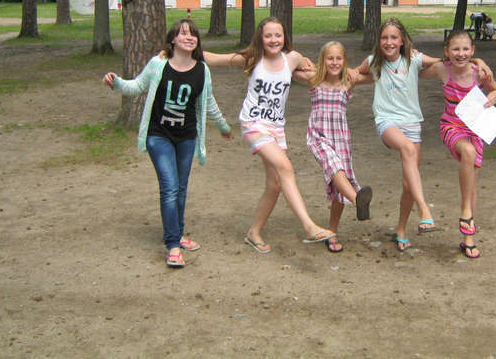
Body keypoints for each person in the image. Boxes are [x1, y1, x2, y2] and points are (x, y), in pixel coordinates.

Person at [352, 18, 491, 252]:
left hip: (412, 124)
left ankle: (401, 230)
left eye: (394, 37)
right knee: (407, 149)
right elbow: (355, 73)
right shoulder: (373, 61)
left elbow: (449, 61)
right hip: (387, 122)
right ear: (378, 40)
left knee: (409, 184)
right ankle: (424, 210)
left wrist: (478, 60)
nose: (389, 42)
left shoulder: (414, 59)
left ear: (402, 40)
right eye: (384, 37)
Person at [103, 19, 232, 268]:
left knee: (181, 188)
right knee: (170, 188)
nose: (189, 37)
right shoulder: (158, 64)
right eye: (183, 33)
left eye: (193, 34)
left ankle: (178, 234)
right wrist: (115, 81)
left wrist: (223, 126)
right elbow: (135, 87)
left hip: (186, 137)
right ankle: (172, 244)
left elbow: (208, 102)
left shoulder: (202, 70)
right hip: (158, 136)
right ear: (173, 39)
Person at [203, 17, 335, 253]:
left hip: (276, 127)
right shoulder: (252, 58)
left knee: (274, 184)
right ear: (260, 38)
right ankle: (309, 226)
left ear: (285, 37)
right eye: (268, 36)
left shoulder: (292, 58)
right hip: (253, 124)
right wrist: (175, 51)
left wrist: (323, 73)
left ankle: (253, 233)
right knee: (285, 168)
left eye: (278, 35)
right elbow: (214, 58)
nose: (273, 40)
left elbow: (314, 72)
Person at [421, 30, 496, 258]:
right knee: (467, 152)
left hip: (475, 129)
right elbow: (415, 72)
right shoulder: (443, 69)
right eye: (455, 49)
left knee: (472, 186)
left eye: (466, 49)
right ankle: (466, 210)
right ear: (447, 51)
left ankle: (468, 238)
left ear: (473, 50)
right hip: (451, 127)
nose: (461, 54)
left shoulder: (479, 73)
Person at [295, 41, 373, 253]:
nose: (334, 62)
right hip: (319, 137)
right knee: (334, 167)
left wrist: (355, 71)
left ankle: (332, 232)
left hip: (341, 138)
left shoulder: (348, 81)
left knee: (340, 186)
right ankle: (357, 199)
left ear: (345, 61)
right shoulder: (314, 79)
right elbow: (291, 68)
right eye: (330, 58)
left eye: (339, 58)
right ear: (322, 60)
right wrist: (304, 61)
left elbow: (375, 75)